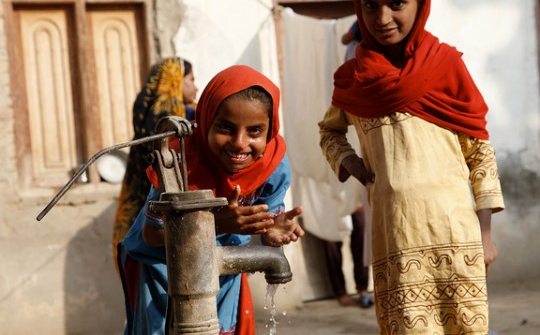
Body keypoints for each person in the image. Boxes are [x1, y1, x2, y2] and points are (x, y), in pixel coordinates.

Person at [318, 0, 505, 334]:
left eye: (396, 3)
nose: (383, 18)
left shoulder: (445, 64)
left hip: (456, 238)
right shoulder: (354, 79)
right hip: (396, 239)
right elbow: (329, 130)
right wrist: (348, 160)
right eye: (372, 6)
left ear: (420, 4)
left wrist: (485, 234)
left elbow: (479, 150)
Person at [118, 65, 305, 335]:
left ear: (270, 130)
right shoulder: (180, 160)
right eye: (226, 128)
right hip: (163, 269)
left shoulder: (273, 164)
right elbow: (152, 234)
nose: (240, 143)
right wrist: (216, 223)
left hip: (224, 268)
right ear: (205, 119)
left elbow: (268, 222)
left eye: (255, 131)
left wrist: (271, 229)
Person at [112, 57, 198, 272]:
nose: (196, 87)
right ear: (176, 81)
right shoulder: (176, 122)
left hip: (139, 221)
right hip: (169, 222)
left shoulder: (146, 118)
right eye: (191, 80)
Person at [321, 20, 373, 309]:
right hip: (333, 178)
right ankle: (342, 291)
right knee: (331, 233)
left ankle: (363, 287)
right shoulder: (347, 85)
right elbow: (328, 130)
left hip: (364, 184)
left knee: (361, 227)